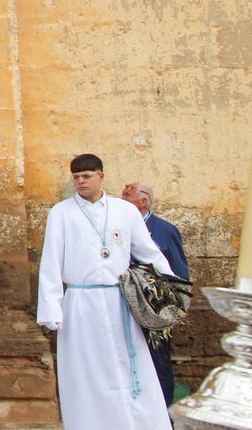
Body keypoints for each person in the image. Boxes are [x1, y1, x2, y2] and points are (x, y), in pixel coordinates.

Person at [37, 154, 176, 430]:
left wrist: (172, 292)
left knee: (129, 364)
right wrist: (51, 308)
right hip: (80, 302)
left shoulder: (124, 211)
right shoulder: (61, 213)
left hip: (118, 301)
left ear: (101, 175)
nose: (80, 182)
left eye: (86, 176)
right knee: (87, 370)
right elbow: (51, 261)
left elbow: (148, 252)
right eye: (76, 177)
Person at [121, 180, 189, 406]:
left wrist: (178, 305)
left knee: (158, 359)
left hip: (155, 306)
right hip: (123, 304)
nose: (122, 198)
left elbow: (178, 270)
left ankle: (164, 413)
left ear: (143, 201)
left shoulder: (165, 230)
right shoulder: (117, 227)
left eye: (128, 195)